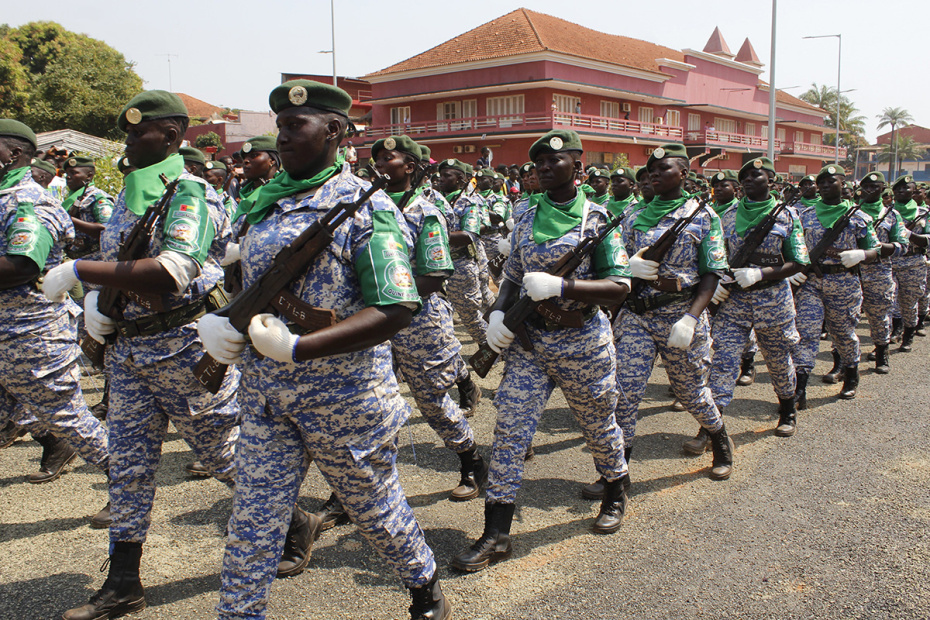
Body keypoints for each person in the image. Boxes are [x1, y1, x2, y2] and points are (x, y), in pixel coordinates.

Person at [199, 80, 450, 620]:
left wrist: (299, 347)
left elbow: (397, 308)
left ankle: (423, 584)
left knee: (374, 511)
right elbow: (247, 283)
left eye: (296, 126)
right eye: (280, 127)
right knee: (252, 521)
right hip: (266, 396)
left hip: (345, 397)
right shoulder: (261, 203)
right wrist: (221, 320)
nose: (282, 137)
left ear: (335, 130)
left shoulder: (367, 209)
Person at [41, 91, 242, 620]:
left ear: (173, 137)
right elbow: (117, 261)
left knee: (225, 456)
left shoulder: (188, 192)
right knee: (128, 468)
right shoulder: (130, 195)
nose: (128, 144)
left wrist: (78, 274)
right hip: (130, 352)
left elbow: (173, 269)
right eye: (127, 135)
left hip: (181, 347)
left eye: (139, 134)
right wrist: (95, 303)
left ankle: (292, 523)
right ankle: (122, 583)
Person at [452, 129, 632, 575]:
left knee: (597, 424)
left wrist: (564, 285)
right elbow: (512, 276)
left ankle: (614, 489)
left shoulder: (598, 220)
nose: (545, 168)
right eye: (539, 164)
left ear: (579, 166)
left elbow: (620, 288)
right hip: (530, 347)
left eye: (556, 161)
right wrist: (497, 314)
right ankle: (496, 533)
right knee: (510, 431)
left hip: (582, 344)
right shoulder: (526, 215)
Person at [0, 119, 110, 510]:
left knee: (69, 419)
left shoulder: (26, 200)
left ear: (14, 154)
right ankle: (54, 443)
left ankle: (125, 477)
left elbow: (22, 265)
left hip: (28, 333)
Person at [608, 144, 734, 482]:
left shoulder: (704, 216)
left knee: (690, 392)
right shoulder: (633, 215)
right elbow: (616, 263)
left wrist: (692, 318)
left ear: (685, 174)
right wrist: (628, 267)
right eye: (651, 170)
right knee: (625, 392)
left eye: (665, 168)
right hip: (636, 316)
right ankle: (617, 472)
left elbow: (711, 274)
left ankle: (720, 441)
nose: (655, 175)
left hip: (679, 314)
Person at [372, 134, 486, 501]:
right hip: (371, 320)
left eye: (389, 158)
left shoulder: (427, 212)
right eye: (377, 158)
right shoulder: (368, 206)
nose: (380, 164)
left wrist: (388, 299)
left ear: (409, 166)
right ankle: (356, 487)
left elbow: (436, 272)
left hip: (418, 317)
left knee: (431, 400)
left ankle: (471, 458)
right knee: (366, 400)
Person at [705, 157, 809, 437]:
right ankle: (712, 425)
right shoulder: (726, 216)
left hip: (772, 300)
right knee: (723, 361)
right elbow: (717, 257)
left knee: (777, 359)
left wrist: (761, 273)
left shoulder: (787, 215)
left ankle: (787, 408)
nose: (748, 180)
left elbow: (799, 262)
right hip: (734, 302)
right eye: (745, 176)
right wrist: (718, 281)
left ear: (771, 181)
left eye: (756, 175)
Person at [788, 165, 890, 406]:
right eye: (821, 182)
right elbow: (796, 247)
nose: (824, 185)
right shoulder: (805, 215)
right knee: (806, 333)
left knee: (842, 333)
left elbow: (876, 249)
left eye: (830, 181)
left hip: (844, 284)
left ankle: (851, 374)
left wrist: (862, 255)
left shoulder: (859, 217)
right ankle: (799, 389)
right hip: (812, 282)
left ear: (843, 184)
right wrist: (797, 270)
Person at [856, 172, 908, 373]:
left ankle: (881, 354)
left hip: (879, 272)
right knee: (843, 320)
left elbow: (902, 245)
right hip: (852, 273)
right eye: (866, 187)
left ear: (882, 189)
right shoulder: (851, 213)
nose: (870, 190)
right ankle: (842, 362)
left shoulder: (892, 215)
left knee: (879, 317)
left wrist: (878, 249)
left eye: (875, 187)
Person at [436, 158, 489, 346]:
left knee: (469, 315)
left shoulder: (468, 203)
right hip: (437, 265)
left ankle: (491, 348)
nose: (440, 178)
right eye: (440, 175)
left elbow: (469, 234)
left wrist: (433, 237)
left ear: (459, 179)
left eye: (446, 175)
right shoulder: (435, 199)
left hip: (460, 265)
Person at [889, 174, 928, 351]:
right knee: (890, 302)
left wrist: (910, 234)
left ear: (914, 191)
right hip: (891, 263)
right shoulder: (887, 213)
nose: (903, 191)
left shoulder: (924, 213)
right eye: (899, 189)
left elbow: (928, 240)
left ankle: (908, 335)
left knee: (909, 302)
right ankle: (894, 332)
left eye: (907, 188)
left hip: (914, 263)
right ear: (894, 192)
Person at [61, 155, 114, 261]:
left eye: (74, 173)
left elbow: (106, 229)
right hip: (73, 258)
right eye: (67, 173)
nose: (68, 177)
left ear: (89, 176)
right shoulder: (73, 198)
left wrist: (70, 220)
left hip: (93, 259)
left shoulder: (98, 197)